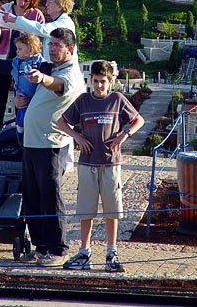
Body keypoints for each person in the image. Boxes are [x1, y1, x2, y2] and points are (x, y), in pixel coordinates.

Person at [56, 60, 144, 273]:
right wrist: (77, 137)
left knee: (111, 210)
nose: (99, 86)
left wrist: (123, 136)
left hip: (111, 163)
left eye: (103, 82)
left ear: (111, 81)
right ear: (90, 81)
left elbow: (138, 120)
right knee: (86, 210)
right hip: (87, 163)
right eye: (95, 81)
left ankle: (111, 253)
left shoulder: (117, 99)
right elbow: (60, 122)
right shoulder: (83, 101)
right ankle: (84, 252)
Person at [18, 28, 85, 267]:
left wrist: (42, 79)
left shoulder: (71, 73)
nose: (53, 48)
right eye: (51, 44)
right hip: (32, 142)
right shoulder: (52, 67)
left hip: (50, 144)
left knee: (50, 197)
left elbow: (58, 85)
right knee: (33, 197)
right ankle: (41, 246)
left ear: (70, 49)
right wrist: (21, 101)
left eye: (58, 45)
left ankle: (58, 249)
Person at [2, 0, 78, 170]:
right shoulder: (58, 22)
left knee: (59, 117)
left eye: (50, 2)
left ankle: (62, 163)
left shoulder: (64, 23)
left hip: (61, 75)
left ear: (60, 5)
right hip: (51, 72)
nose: (46, 5)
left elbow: (42, 30)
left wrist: (16, 20)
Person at [0, 0, 45, 151]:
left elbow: (38, 42)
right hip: (4, 60)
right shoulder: (4, 9)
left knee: (24, 101)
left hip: (25, 64)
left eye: (26, 0)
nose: (23, 3)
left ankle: (24, 144)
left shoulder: (36, 15)